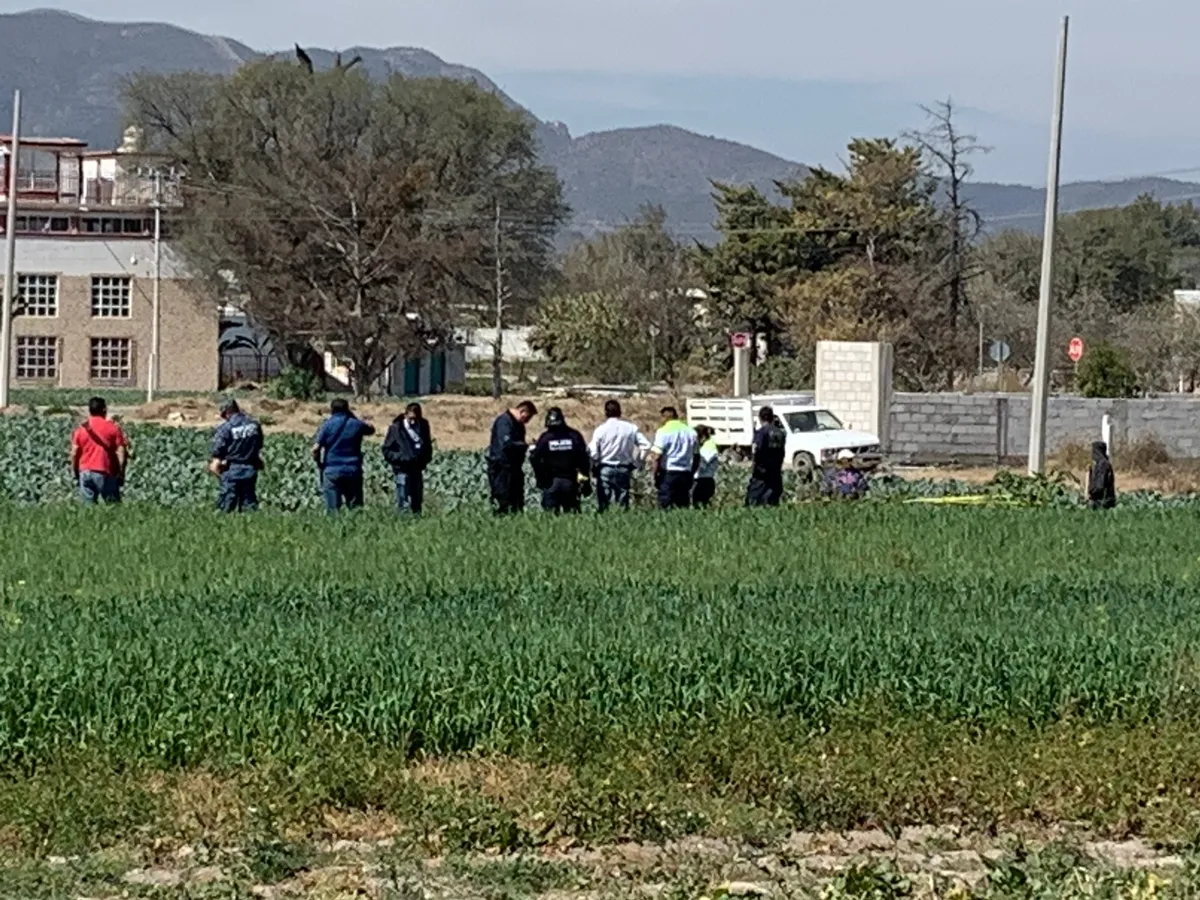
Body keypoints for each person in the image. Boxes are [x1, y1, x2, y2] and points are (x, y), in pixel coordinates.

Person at [311, 398, 375, 512]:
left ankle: (335, 529)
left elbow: (315, 448)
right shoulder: (356, 424)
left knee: (333, 510)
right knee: (355, 508)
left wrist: (318, 462)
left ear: (332, 410)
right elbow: (371, 430)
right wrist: (353, 416)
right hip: (352, 469)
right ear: (347, 409)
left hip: (331, 470)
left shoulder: (327, 425)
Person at [588, 399, 652, 512]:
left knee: (604, 502)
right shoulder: (630, 428)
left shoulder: (600, 430)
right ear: (620, 412)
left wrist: (595, 462)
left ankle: (604, 521)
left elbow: (593, 452)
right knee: (623, 501)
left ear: (606, 412)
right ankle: (622, 520)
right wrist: (638, 461)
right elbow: (646, 445)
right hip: (624, 468)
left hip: (605, 467)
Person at [530, 407, 591, 514]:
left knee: (550, 519)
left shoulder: (545, 438)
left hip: (550, 482)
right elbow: (584, 461)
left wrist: (541, 479)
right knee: (572, 516)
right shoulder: (574, 436)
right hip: (570, 482)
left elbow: (535, 458)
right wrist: (586, 482)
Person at [208, 398, 264, 512]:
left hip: (232, 472)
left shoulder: (225, 429)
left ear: (227, 412)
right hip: (250, 471)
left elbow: (215, 464)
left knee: (226, 509)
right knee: (249, 506)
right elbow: (258, 448)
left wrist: (221, 476)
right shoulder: (254, 425)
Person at [70, 396, 129, 504]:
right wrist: (121, 473)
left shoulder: (81, 430)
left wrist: (75, 472)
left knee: (87, 508)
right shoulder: (113, 429)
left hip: (85, 471)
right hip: (105, 471)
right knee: (113, 506)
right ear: (104, 410)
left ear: (89, 411)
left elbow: (74, 453)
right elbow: (121, 453)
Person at [487, 400, 537, 515]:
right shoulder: (504, 422)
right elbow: (506, 444)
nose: (527, 421)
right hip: (502, 469)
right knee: (503, 502)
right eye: (528, 417)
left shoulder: (518, 425)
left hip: (514, 469)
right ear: (522, 411)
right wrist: (525, 444)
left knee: (517, 504)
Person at [382, 402, 434, 514]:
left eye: (416, 419)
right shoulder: (396, 428)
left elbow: (427, 445)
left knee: (417, 500)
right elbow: (387, 450)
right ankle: (403, 522)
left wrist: (425, 459)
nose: (413, 421)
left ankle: (417, 520)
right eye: (411, 418)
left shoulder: (424, 426)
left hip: (417, 468)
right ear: (405, 415)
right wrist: (400, 458)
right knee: (403, 499)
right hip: (402, 469)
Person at [649, 406, 699, 510]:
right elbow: (697, 456)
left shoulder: (663, 431)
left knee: (665, 504)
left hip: (669, 473)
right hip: (685, 473)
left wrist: (654, 474)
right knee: (682, 504)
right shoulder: (691, 432)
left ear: (665, 417)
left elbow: (656, 456)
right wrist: (692, 472)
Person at [745, 405, 787, 507]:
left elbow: (756, 450)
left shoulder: (761, 433)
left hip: (762, 472)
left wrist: (754, 464)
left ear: (760, 418)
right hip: (776, 470)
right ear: (772, 417)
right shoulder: (781, 433)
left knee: (753, 500)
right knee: (773, 500)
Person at [692, 425, 720, 508]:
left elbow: (702, 465)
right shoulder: (704, 445)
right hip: (703, 480)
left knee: (700, 505)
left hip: (704, 480)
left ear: (702, 436)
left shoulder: (708, 446)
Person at [1087, 440, 1117, 510]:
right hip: (1104, 499)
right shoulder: (1101, 463)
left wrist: (1091, 492)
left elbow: (1100, 485)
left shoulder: (1102, 465)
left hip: (1102, 501)